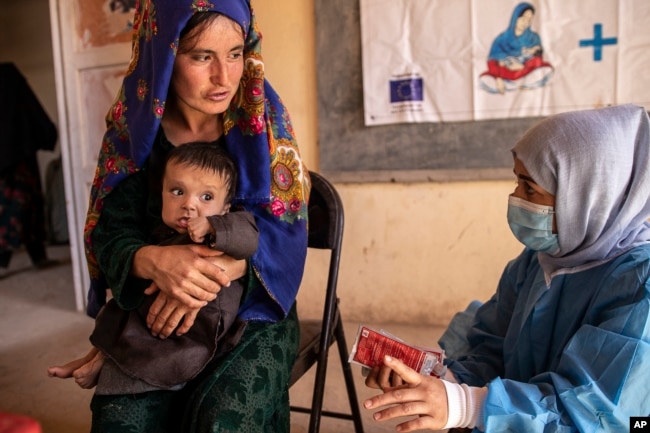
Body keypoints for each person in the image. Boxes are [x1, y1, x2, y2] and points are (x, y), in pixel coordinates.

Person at [52, 1, 310, 431]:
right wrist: (153, 261)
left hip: (251, 309)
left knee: (222, 418)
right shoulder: (133, 132)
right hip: (152, 305)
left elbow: (284, 234)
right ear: (163, 52)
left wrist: (211, 273)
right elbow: (110, 229)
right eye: (201, 56)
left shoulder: (264, 124)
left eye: (235, 53)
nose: (224, 77)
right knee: (121, 419)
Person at [363, 104, 650, 432]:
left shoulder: (640, 286)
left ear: (587, 197)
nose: (515, 197)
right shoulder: (538, 261)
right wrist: (439, 379)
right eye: (517, 182)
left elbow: (597, 415)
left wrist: (465, 406)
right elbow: (492, 347)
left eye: (530, 189)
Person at [48, 141, 259, 391]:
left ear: (225, 207)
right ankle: (99, 356)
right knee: (116, 310)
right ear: (161, 194)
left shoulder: (231, 223)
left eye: (206, 197)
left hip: (202, 319)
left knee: (156, 351)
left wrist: (215, 226)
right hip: (154, 305)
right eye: (177, 191)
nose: (189, 205)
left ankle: (109, 361)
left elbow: (249, 239)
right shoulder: (161, 232)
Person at [0, 62, 59, 277]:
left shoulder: (8, 76)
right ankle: (12, 257)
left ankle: (37, 255)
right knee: (18, 206)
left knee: (25, 205)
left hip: (19, 154)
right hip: (19, 153)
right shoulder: (9, 77)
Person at [479, 2, 553, 94]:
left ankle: (517, 86)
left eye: (529, 20)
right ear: (515, 18)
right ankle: (514, 85)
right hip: (505, 74)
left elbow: (538, 60)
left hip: (526, 73)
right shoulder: (501, 39)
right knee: (484, 79)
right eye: (523, 18)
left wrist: (523, 66)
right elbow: (492, 62)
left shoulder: (534, 38)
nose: (526, 23)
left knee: (548, 70)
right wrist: (498, 78)